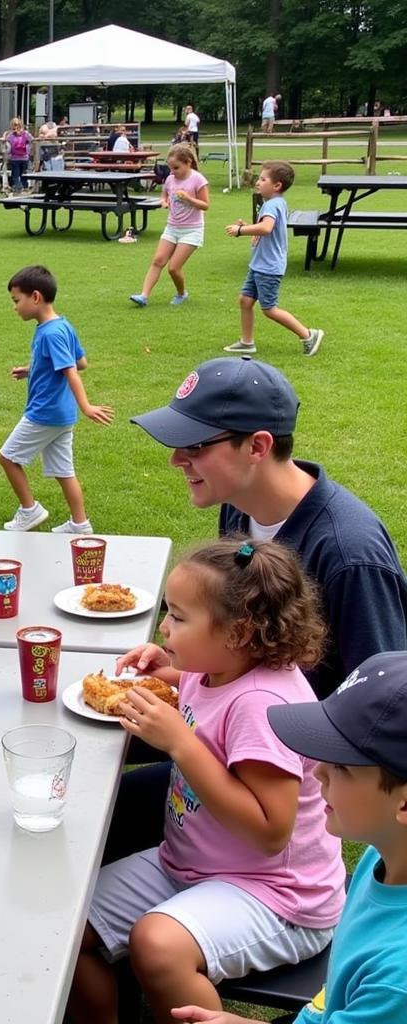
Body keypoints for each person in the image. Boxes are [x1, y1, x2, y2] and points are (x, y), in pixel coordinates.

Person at [103, 355, 407, 866]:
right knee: (96, 783)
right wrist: (184, 666)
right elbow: (236, 636)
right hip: (218, 735)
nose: (177, 459)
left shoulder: (348, 554)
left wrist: (226, 722)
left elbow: (384, 708)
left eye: (195, 446)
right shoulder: (240, 505)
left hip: (272, 774)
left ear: (258, 446)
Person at [69, 539, 345, 1024]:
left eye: (178, 618)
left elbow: (270, 831)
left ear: (237, 633)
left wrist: (181, 743)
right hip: (190, 865)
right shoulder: (212, 668)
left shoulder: (263, 704)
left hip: (277, 895)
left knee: (157, 944)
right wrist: (169, 672)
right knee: (64, 929)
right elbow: (201, 694)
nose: (164, 627)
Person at [173, 650, 407, 1024]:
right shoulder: (384, 859)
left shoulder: (397, 980)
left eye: (342, 767)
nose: (317, 774)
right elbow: (337, 1002)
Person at [0, 265, 114, 534]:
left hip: (44, 413)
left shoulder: (50, 333)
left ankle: (30, 510)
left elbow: (72, 371)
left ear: (35, 297)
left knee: (7, 458)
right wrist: (31, 371)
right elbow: (81, 361)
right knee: (64, 470)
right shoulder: (61, 326)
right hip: (62, 415)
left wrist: (86, 406)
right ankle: (80, 524)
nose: (15, 307)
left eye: (17, 301)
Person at [223, 161, 324, 357]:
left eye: (262, 179)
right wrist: (253, 229)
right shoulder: (276, 204)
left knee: (269, 309)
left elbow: (266, 228)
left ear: (277, 185)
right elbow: (266, 229)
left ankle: (308, 335)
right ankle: (246, 342)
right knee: (245, 301)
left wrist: (241, 230)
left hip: (268, 267)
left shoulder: (272, 204)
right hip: (259, 265)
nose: (258, 182)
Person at [129, 144, 210, 308]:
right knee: (158, 260)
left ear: (188, 163)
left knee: (173, 268)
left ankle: (182, 293)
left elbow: (205, 205)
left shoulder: (198, 179)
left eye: (176, 168)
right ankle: (143, 296)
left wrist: (188, 198)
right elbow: (165, 194)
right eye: (170, 168)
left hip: (192, 230)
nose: (172, 172)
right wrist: (164, 201)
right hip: (172, 227)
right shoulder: (171, 179)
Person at [3, 117, 33, 194]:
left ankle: (19, 187)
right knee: (24, 174)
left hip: (15, 158)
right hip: (25, 158)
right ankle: (25, 188)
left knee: (15, 175)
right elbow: (31, 140)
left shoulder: (10, 135)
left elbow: (7, 144)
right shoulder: (25, 133)